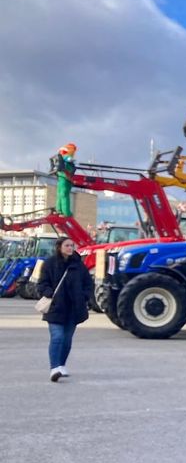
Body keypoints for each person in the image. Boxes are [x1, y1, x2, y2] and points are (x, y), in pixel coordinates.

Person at [37, 236, 93, 382]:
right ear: (59, 247)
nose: (70, 248)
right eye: (67, 245)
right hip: (56, 307)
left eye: (72, 245)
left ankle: (61, 365)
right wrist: (49, 293)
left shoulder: (79, 265)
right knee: (57, 337)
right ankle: (54, 368)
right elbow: (42, 283)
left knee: (67, 340)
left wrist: (84, 297)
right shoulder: (49, 264)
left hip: (73, 309)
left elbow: (88, 284)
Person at [53, 143, 78, 217]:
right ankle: (60, 210)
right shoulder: (66, 161)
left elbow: (67, 168)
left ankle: (65, 212)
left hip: (65, 179)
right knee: (60, 195)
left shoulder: (68, 161)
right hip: (62, 179)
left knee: (63, 195)